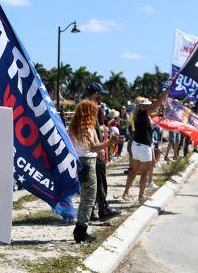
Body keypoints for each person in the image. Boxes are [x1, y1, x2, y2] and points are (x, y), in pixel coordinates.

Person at [69, 100, 121, 244]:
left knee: (85, 198)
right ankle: (81, 231)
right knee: (89, 198)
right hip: (88, 162)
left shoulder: (74, 127)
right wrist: (110, 142)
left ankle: (79, 228)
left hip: (79, 162)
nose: (96, 114)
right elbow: (93, 148)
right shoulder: (87, 128)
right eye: (94, 112)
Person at [84, 83, 120, 222]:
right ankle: (103, 209)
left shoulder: (90, 108)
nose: (101, 97)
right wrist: (98, 147)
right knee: (99, 182)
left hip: (95, 149)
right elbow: (89, 130)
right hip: (94, 151)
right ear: (96, 94)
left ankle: (93, 211)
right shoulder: (89, 108)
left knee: (95, 183)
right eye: (100, 94)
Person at [122, 94, 162, 202]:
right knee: (145, 173)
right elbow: (156, 105)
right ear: (142, 106)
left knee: (133, 171)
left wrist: (158, 112)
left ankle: (125, 192)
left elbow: (152, 115)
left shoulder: (136, 114)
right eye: (147, 105)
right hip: (144, 147)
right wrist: (165, 94)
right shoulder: (143, 114)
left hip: (136, 145)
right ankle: (141, 196)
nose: (149, 106)